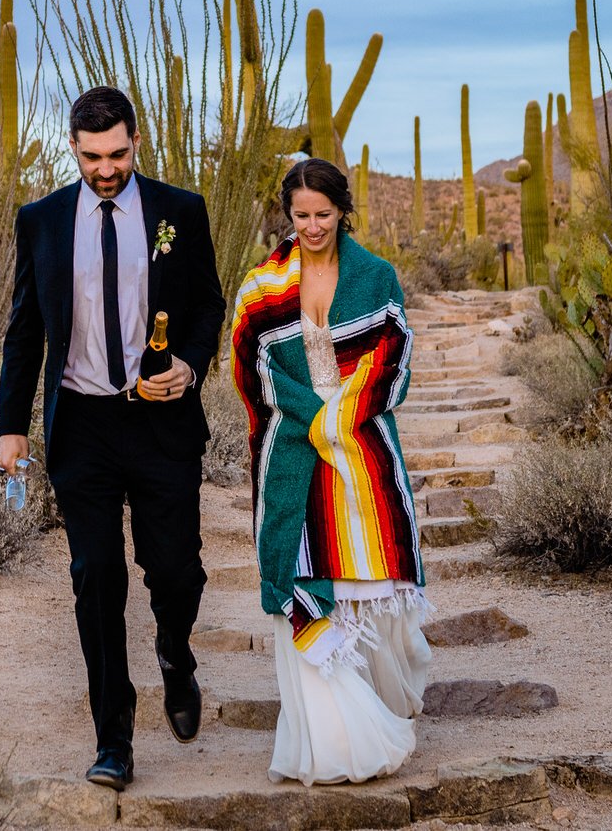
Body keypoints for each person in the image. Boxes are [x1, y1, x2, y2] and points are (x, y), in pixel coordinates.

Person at [0, 86, 225, 791]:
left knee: (176, 570)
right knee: (96, 577)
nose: (106, 168)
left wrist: (188, 364)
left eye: (118, 154)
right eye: (93, 156)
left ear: (135, 142)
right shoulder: (40, 220)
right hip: (83, 424)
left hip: (159, 417)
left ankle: (175, 652)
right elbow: (26, 326)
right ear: (73, 147)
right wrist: (10, 427)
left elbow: (208, 302)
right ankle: (113, 737)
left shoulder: (179, 211)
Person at [229, 157, 431, 786]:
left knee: (363, 576)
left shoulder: (375, 276)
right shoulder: (263, 286)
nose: (312, 226)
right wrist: (310, 417)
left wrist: (340, 417)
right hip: (290, 442)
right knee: (298, 568)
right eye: (300, 216)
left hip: (361, 440)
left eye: (322, 214)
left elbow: (392, 357)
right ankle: (328, 736)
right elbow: (251, 365)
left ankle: (374, 700)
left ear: (343, 210)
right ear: (286, 216)